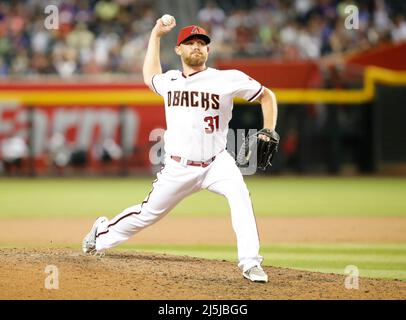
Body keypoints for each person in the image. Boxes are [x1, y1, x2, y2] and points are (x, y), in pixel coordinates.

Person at [82, 16, 278, 283]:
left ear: (208, 50)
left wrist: (268, 129)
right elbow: (149, 76)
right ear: (179, 50)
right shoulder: (171, 81)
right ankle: (100, 234)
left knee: (240, 196)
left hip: (217, 162)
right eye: (190, 42)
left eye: (201, 43)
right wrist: (155, 35)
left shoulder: (227, 79)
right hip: (179, 166)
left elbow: (267, 95)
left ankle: (250, 263)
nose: (196, 46)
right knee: (146, 214)